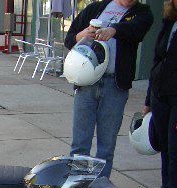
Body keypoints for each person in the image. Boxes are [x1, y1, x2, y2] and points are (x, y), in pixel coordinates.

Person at [65, 0, 153, 178]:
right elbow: (69, 39)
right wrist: (83, 34)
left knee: (106, 146)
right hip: (87, 82)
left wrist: (113, 30)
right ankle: (77, 186)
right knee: (80, 144)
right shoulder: (96, 8)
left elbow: (135, 31)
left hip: (115, 85)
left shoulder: (143, 13)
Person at [142, 0, 177, 188]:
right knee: (164, 147)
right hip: (160, 95)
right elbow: (157, 60)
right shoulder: (169, 22)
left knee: (175, 150)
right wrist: (148, 100)